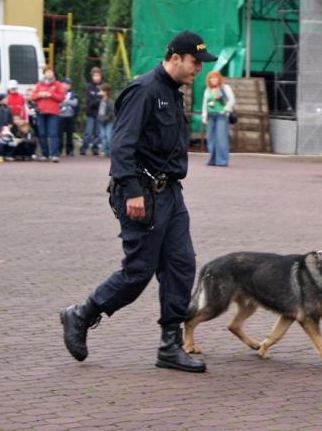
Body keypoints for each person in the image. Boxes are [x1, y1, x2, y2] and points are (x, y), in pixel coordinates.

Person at [60, 30, 217, 373]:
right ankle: (82, 315)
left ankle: (169, 346)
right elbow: (122, 145)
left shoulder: (174, 93)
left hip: (171, 194)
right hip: (142, 194)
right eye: (195, 63)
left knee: (181, 264)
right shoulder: (144, 90)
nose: (198, 70)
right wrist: (131, 190)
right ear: (175, 57)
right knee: (138, 273)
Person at [201, 70, 235, 167]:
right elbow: (205, 104)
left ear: (219, 79)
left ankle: (222, 161)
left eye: (215, 78)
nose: (214, 80)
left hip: (221, 115)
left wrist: (225, 110)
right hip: (210, 116)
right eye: (211, 78)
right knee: (211, 138)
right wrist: (204, 116)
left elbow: (232, 100)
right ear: (209, 80)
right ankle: (213, 159)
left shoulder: (225, 88)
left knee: (221, 138)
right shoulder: (207, 90)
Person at [32, 66, 65, 162]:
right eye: (47, 72)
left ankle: (54, 155)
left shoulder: (57, 84)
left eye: (51, 72)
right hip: (41, 112)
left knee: (53, 133)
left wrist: (51, 95)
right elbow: (33, 97)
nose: (49, 74)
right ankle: (45, 154)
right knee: (42, 134)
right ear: (44, 73)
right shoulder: (39, 84)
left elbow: (61, 97)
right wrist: (40, 95)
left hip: (53, 112)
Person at [80, 67, 103, 156]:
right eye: (95, 75)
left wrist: (97, 98)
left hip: (100, 113)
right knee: (88, 132)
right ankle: (83, 148)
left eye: (98, 75)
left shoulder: (103, 86)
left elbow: (105, 100)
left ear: (101, 76)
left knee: (98, 132)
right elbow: (89, 102)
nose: (96, 77)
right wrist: (98, 99)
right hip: (90, 113)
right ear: (92, 76)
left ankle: (95, 148)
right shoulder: (89, 87)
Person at [58, 77, 79, 156]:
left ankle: (69, 150)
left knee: (70, 134)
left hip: (70, 116)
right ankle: (59, 150)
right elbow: (58, 104)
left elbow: (75, 103)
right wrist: (68, 102)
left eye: (69, 84)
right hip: (60, 116)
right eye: (65, 83)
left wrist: (65, 101)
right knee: (59, 134)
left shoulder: (73, 94)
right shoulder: (58, 93)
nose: (67, 86)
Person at [97, 83, 115, 157]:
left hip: (109, 122)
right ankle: (105, 151)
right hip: (101, 121)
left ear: (105, 91)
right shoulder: (101, 100)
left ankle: (111, 152)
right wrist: (100, 118)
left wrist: (106, 118)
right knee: (103, 137)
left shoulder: (110, 101)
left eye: (101, 90)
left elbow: (112, 112)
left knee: (108, 136)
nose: (100, 92)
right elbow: (100, 111)